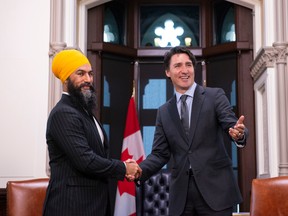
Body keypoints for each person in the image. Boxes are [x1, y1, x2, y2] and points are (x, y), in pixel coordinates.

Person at [136, 46, 248, 216]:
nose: (184, 70)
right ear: (168, 72)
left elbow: (233, 125)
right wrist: (138, 170)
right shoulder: (164, 111)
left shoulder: (214, 96)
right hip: (181, 197)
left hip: (216, 193)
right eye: (178, 66)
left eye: (188, 65)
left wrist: (239, 134)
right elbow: (159, 154)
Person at [43, 49, 140, 216]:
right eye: (80, 74)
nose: (87, 79)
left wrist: (124, 167)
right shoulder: (64, 113)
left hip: (95, 204)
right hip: (71, 207)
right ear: (66, 79)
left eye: (90, 74)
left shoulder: (84, 112)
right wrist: (123, 168)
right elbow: (86, 160)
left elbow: (97, 156)